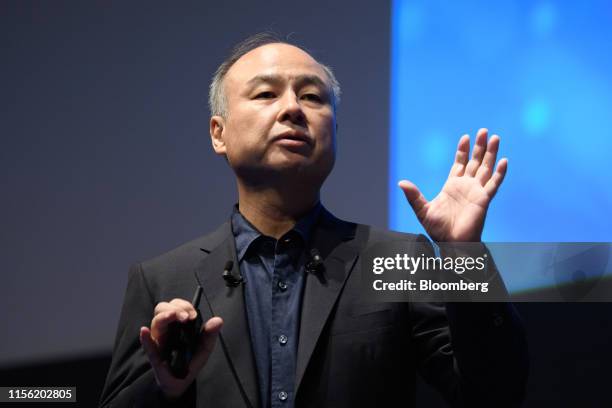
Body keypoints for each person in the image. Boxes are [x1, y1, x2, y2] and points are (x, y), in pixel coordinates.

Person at [99, 33, 528, 408]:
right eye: (266, 94)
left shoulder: (398, 258)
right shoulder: (164, 280)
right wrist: (167, 388)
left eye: (312, 97)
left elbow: (493, 394)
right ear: (219, 133)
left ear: (336, 129)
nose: (292, 109)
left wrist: (463, 255)